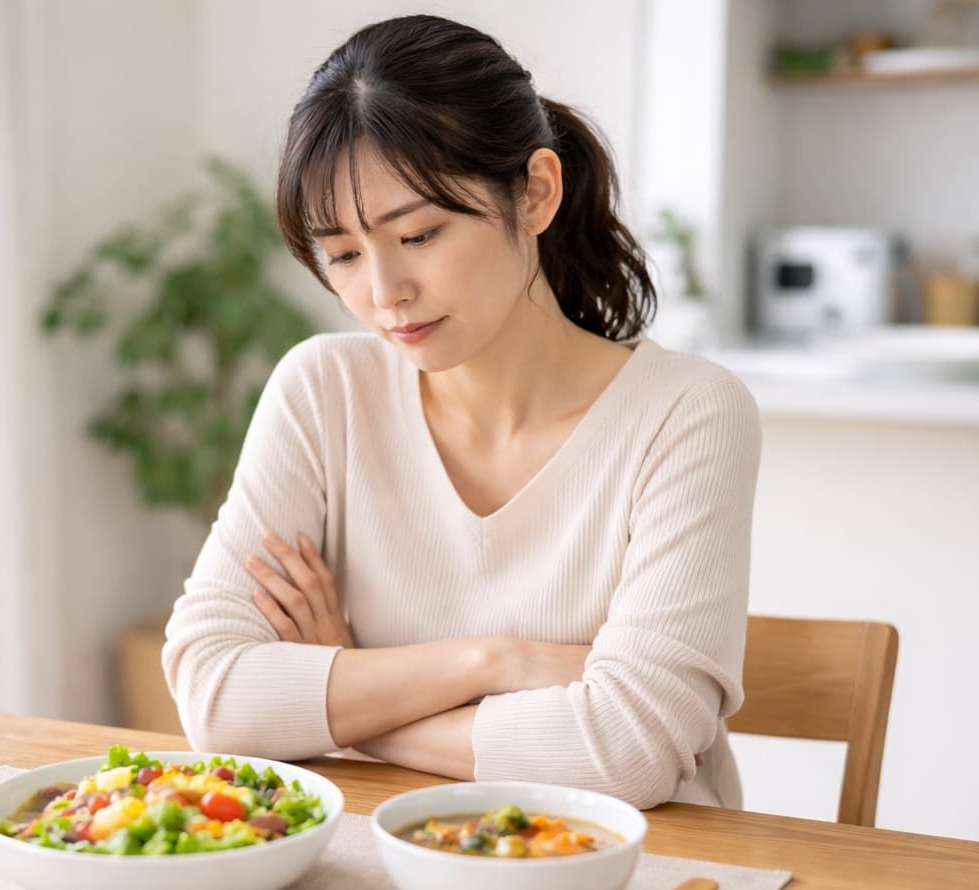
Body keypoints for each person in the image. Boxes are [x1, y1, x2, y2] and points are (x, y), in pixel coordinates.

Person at [162, 14, 759, 809]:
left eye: (419, 234)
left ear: (536, 193)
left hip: (636, 882)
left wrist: (346, 709)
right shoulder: (324, 391)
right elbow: (214, 693)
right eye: (341, 255)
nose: (382, 294)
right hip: (393, 866)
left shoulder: (686, 414)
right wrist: (496, 662)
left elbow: (628, 751)